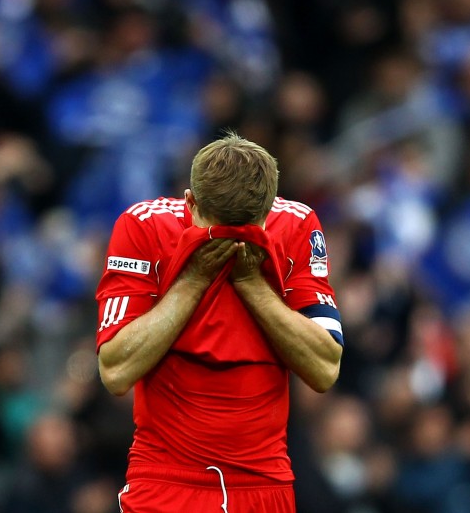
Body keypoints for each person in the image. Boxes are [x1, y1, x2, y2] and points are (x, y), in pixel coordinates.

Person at [96, 133, 344, 512]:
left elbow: (325, 368)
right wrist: (192, 281)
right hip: (166, 480)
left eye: (244, 233)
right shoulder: (144, 227)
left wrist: (250, 283)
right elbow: (115, 369)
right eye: (219, 231)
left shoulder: (296, 225)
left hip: (264, 484)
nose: (231, 242)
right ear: (190, 202)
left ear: (267, 213)